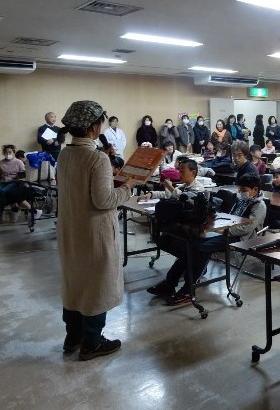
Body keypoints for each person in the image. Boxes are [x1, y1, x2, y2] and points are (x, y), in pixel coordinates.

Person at [57, 100, 135, 361]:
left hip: (71, 229)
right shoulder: (96, 158)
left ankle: (73, 337)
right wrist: (127, 187)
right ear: (93, 128)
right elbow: (104, 200)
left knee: (75, 283)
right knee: (96, 285)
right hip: (93, 233)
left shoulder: (65, 154)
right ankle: (92, 342)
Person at [147, 174, 266, 305]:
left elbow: (246, 228)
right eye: (240, 189)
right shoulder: (241, 200)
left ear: (255, 190)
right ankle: (170, 283)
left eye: (244, 189)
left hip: (240, 238)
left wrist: (223, 230)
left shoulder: (259, 206)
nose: (240, 192)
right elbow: (230, 217)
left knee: (200, 249)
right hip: (225, 232)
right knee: (191, 246)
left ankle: (188, 290)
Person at [0, 144, 31, 222]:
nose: (8, 154)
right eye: (6, 152)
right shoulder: (1, 163)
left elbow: (24, 174)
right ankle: (14, 208)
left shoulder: (18, 162)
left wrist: (17, 176)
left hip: (15, 182)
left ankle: (4, 212)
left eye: (10, 152)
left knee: (2, 191)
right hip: (4, 182)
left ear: (13, 152)